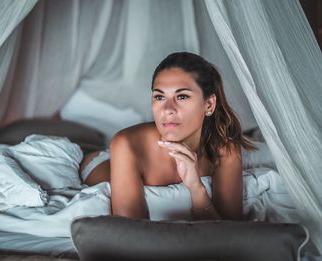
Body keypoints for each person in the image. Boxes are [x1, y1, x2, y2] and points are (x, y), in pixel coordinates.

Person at [79, 52, 256, 221]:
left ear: (209, 104)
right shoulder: (126, 143)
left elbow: (229, 231)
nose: (168, 109)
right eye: (159, 97)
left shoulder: (226, 149)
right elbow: (131, 235)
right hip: (103, 162)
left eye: (182, 96)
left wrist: (196, 188)